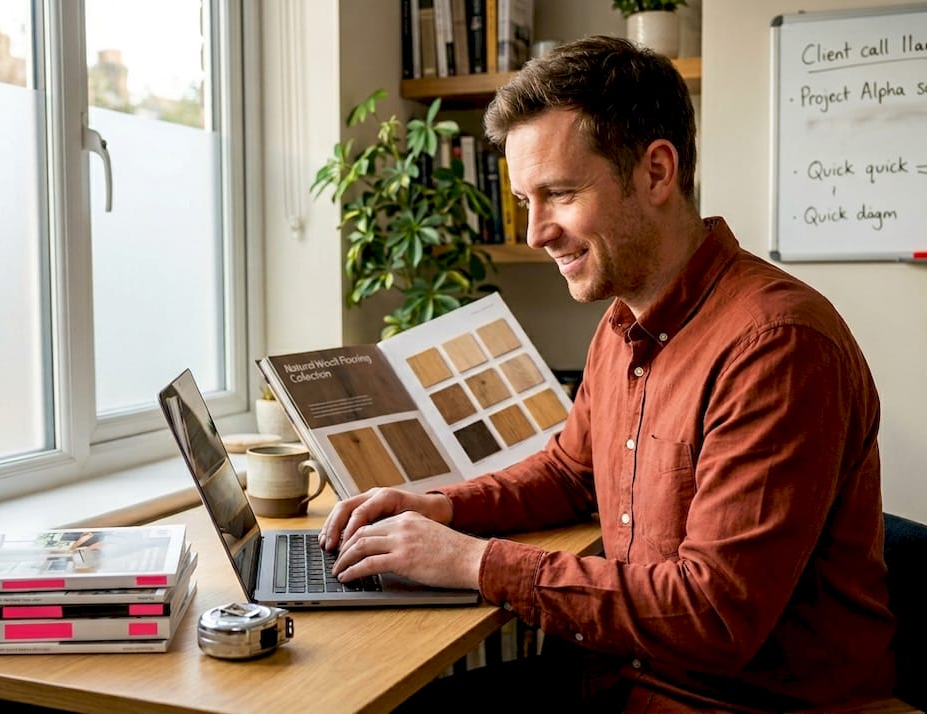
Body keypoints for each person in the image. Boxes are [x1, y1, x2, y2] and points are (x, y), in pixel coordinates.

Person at [320, 35, 896, 713]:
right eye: (524, 201)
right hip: (620, 677)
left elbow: (714, 616)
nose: (536, 233)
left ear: (656, 172)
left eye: (558, 194)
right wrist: (442, 507)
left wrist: (471, 562)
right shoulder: (624, 321)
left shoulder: (778, 346)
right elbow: (570, 473)